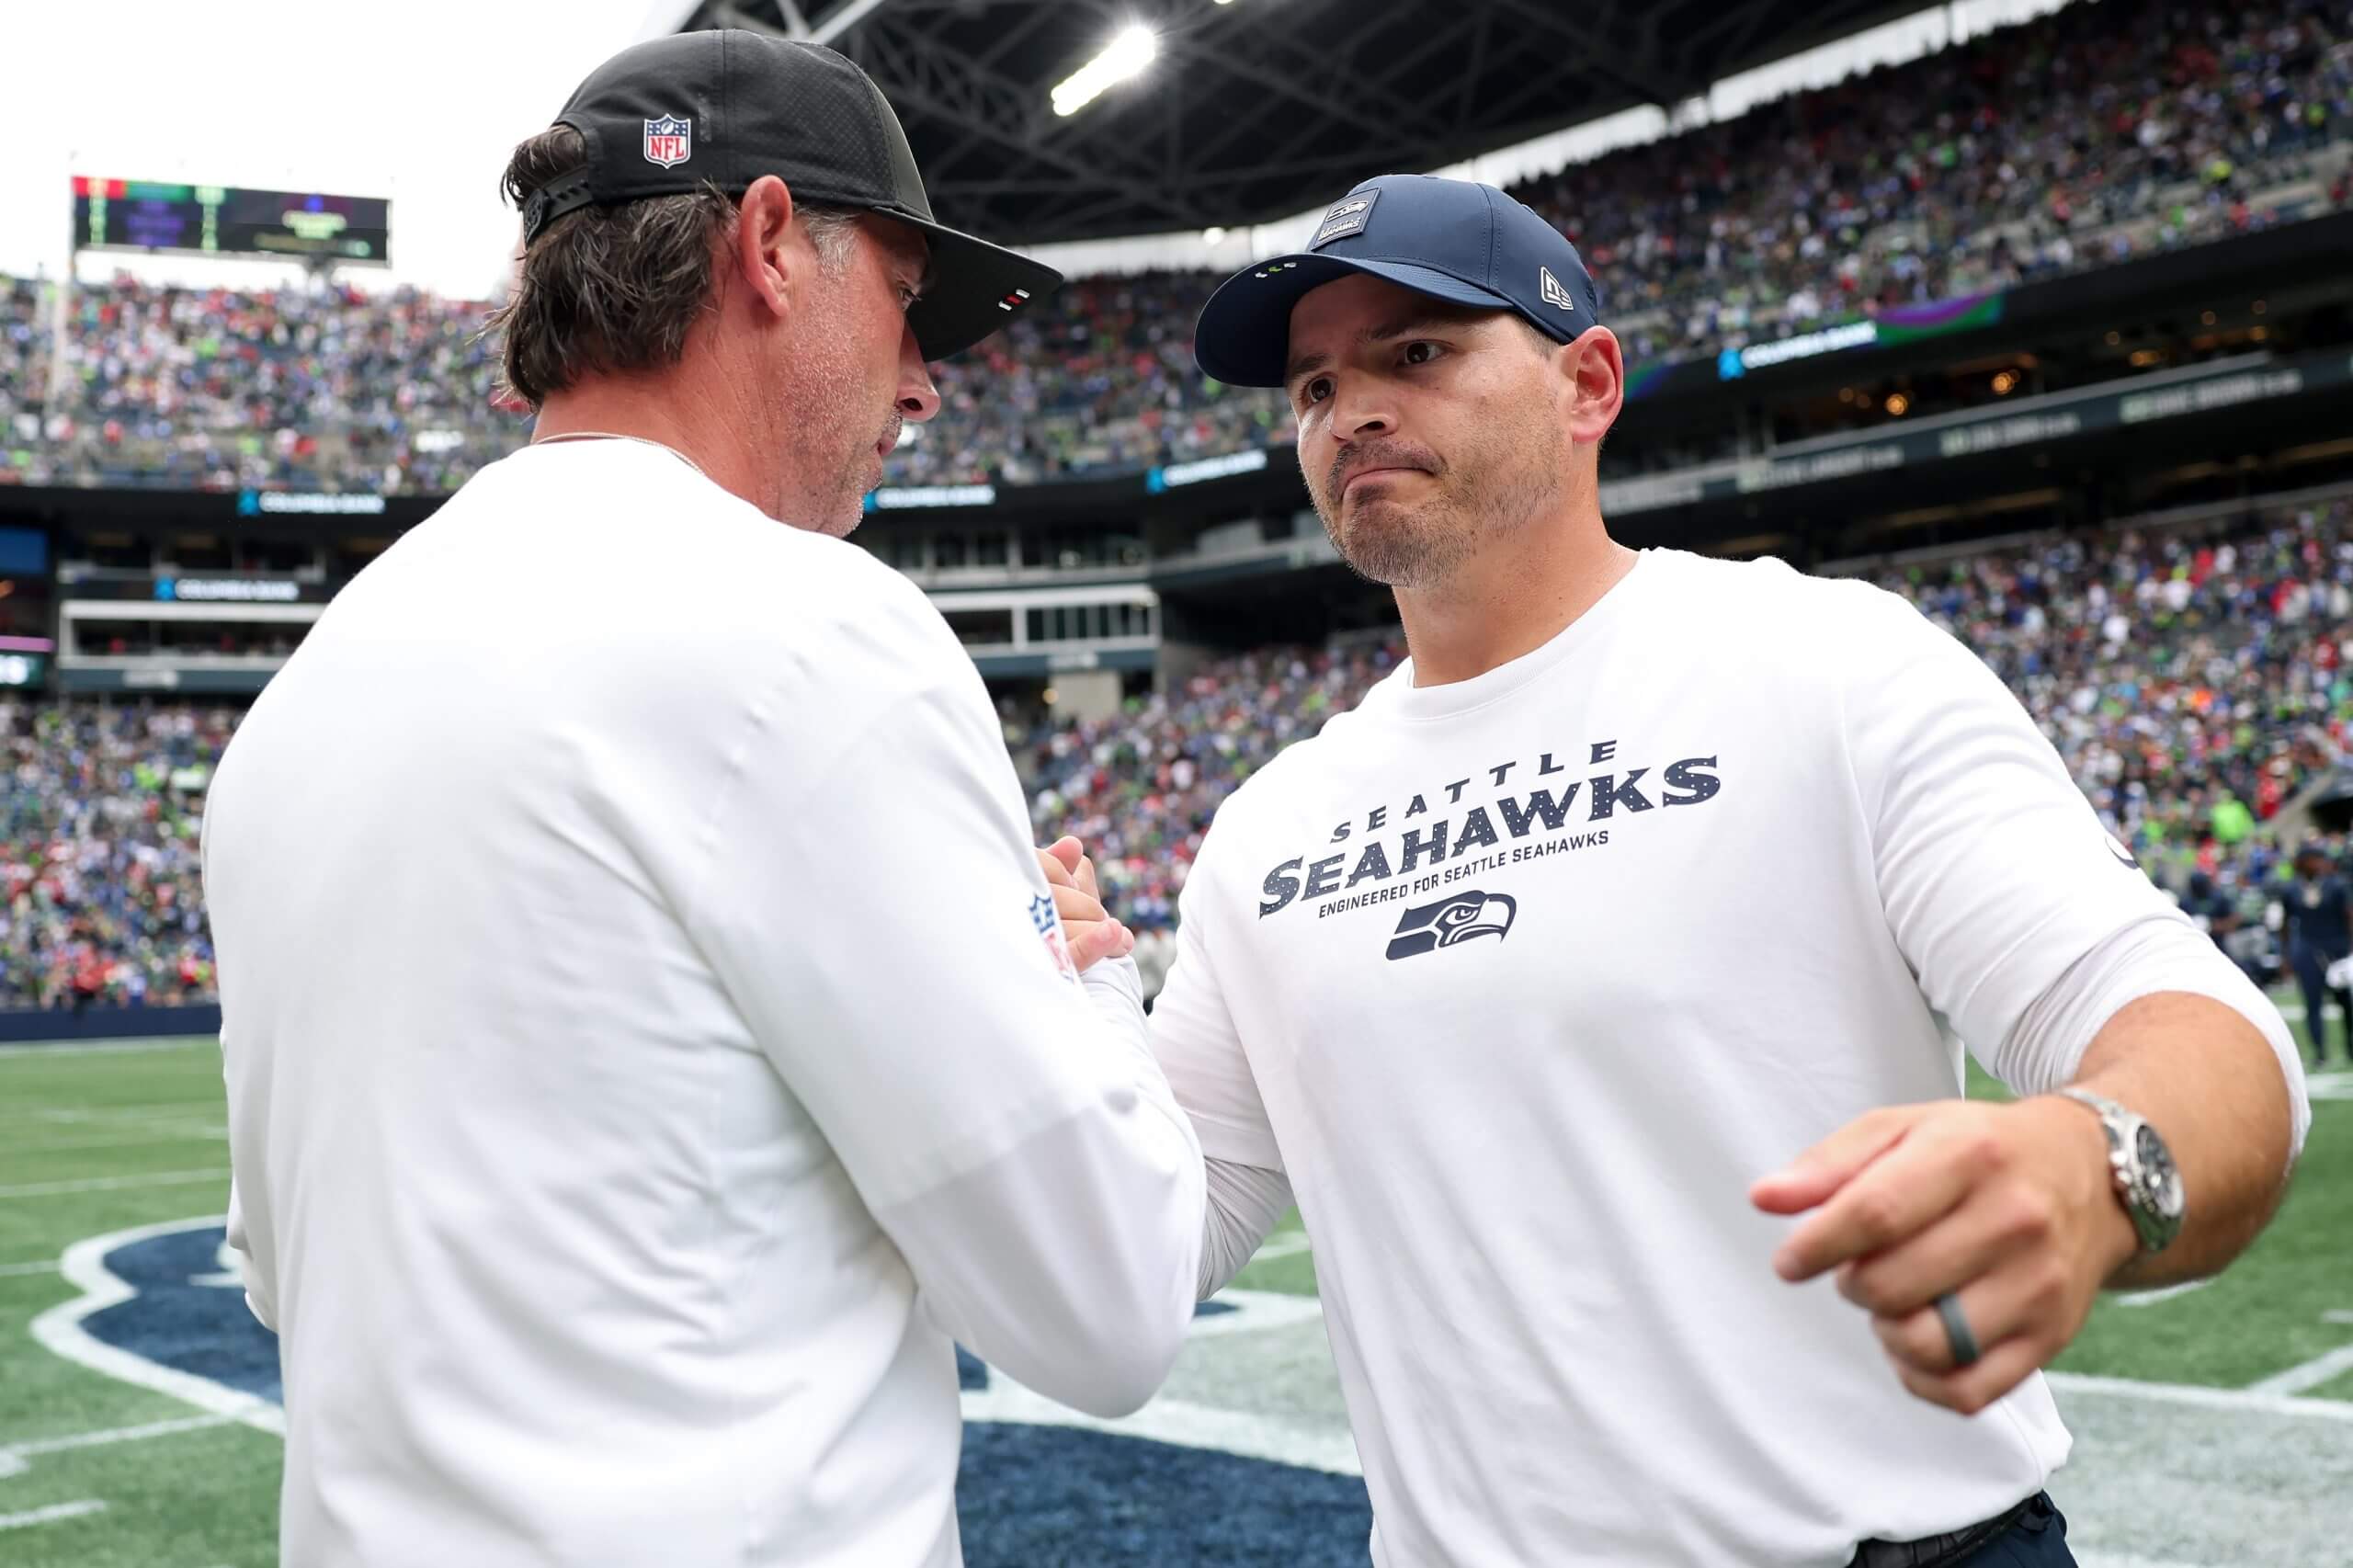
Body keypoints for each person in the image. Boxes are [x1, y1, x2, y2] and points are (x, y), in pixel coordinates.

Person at [1079, 174, 2312, 1567]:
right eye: (1312, 387)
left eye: (1415, 352)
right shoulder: (1268, 827)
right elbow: (1145, 1241)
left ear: (1588, 384)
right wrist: (1082, 1005)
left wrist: (2095, 1159)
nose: (1350, 410)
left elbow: (2200, 1031)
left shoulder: (1823, 663)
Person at [201, 33, 1202, 1568]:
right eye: (909, 301)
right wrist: (1093, 981)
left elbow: (292, 1279)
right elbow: (1108, 1301)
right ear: (771, 243)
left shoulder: (296, 707)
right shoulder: (811, 633)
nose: (925, 382)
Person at [2280, 843, 2352, 1065]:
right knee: (2313, 1004)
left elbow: (2349, 916)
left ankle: (2351, 1048)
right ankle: (2319, 1052)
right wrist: (2286, 956)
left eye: (2321, 858)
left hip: (2337, 949)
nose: (2319, 863)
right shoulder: (2292, 889)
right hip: (2308, 950)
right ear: (2302, 862)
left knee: (2346, 1003)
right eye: (2314, 859)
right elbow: (2285, 923)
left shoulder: (2336, 885)